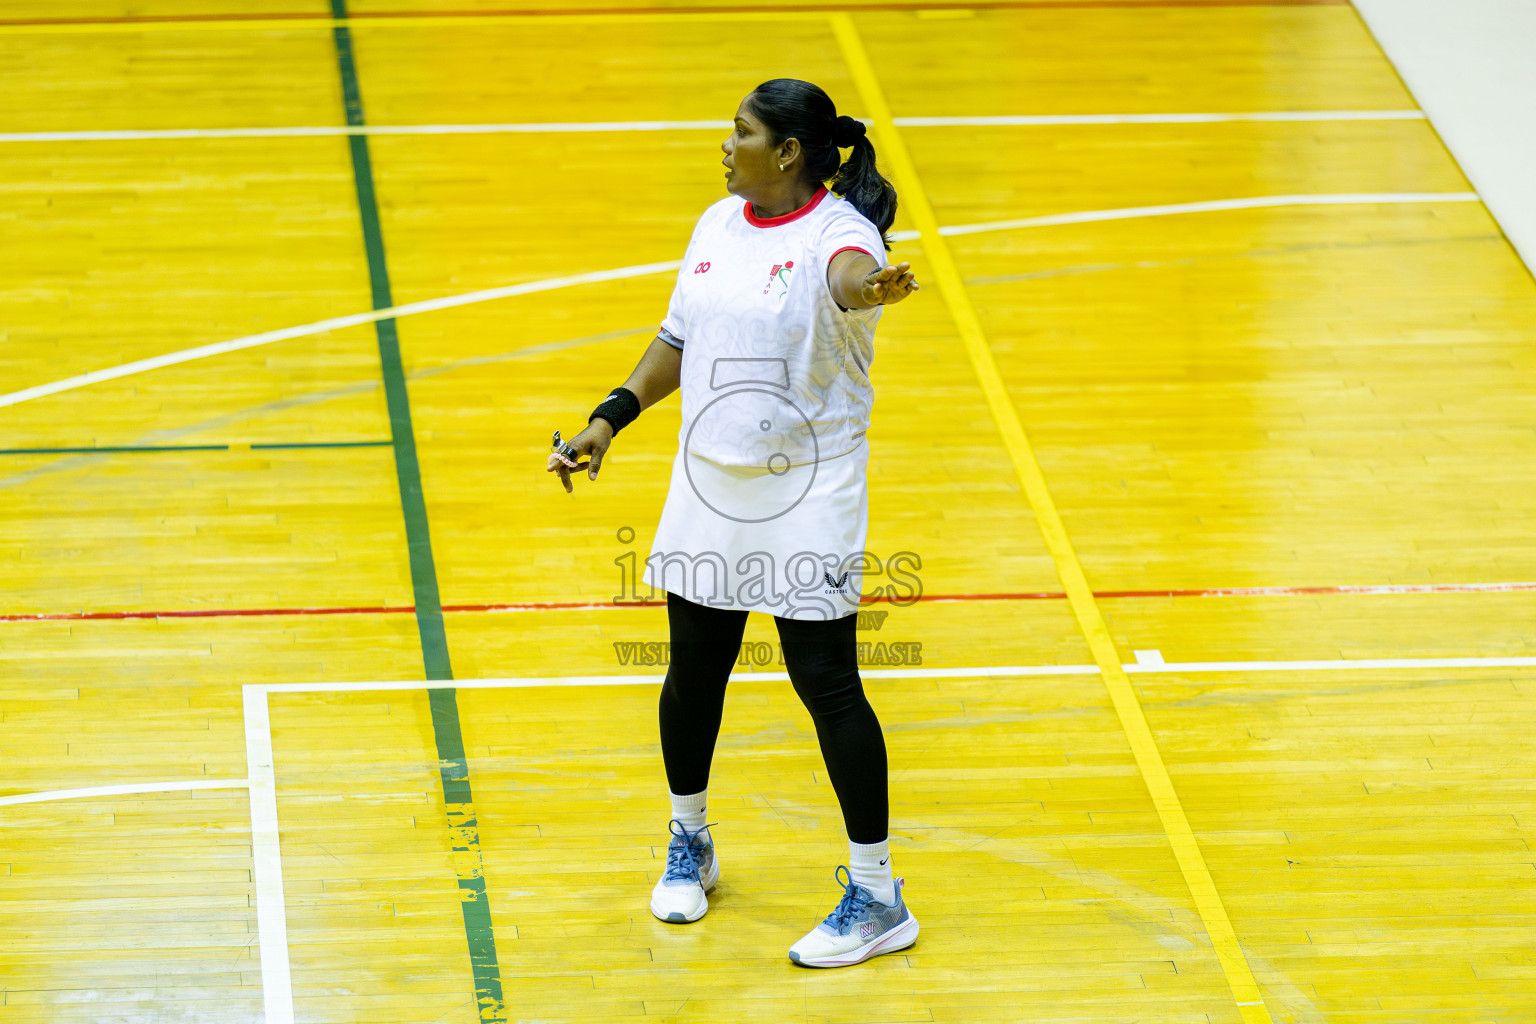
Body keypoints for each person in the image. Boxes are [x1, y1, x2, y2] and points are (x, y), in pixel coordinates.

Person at [547, 78, 920, 968]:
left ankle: (877, 896)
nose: (726, 145)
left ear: (788, 152)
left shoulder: (843, 236)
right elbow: (678, 338)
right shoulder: (717, 225)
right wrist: (610, 418)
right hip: (708, 485)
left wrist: (873, 290)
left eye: (741, 133)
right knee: (694, 671)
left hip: (809, 492)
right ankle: (691, 841)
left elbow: (849, 283)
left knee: (827, 685)